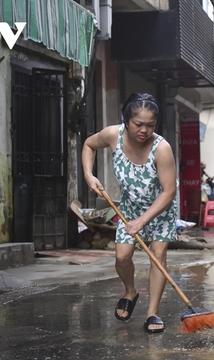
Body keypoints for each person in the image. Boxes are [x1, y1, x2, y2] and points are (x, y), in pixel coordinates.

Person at [82, 93, 177, 333]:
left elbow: (169, 191)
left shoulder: (161, 148)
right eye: (138, 124)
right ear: (126, 121)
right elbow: (88, 145)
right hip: (130, 207)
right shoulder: (113, 135)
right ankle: (130, 291)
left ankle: (152, 313)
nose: (144, 130)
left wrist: (143, 221)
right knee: (122, 257)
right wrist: (88, 175)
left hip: (159, 210)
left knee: (158, 256)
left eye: (150, 125)